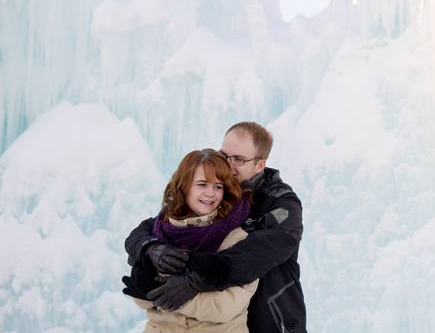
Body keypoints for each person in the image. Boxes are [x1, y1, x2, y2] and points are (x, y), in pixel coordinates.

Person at [125, 122, 307, 333]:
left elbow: (254, 256)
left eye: (238, 159)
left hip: (272, 321)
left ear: (259, 165)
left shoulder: (281, 204)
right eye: (224, 155)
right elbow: (155, 226)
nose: (227, 165)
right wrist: (150, 249)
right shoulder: (218, 196)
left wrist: (193, 276)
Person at [123, 148, 257, 332]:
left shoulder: (237, 236)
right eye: (202, 184)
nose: (211, 193)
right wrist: (146, 285)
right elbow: (143, 301)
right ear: (185, 185)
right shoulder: (161, 228)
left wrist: (170, 292)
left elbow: (226, 307)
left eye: (218, 186)